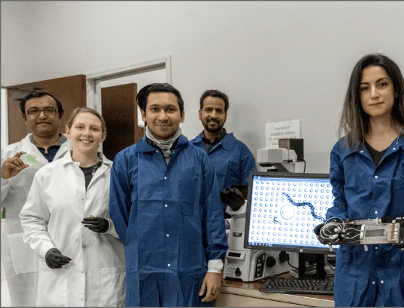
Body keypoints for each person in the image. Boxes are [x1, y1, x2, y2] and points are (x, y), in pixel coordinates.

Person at [322, 53, 404, 307]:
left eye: (382, 84)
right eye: (364, 88)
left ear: (396, 89)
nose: (374, 94)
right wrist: (333, 223)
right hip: (354, 282)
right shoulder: (343, 150)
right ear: (356, 96)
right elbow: (340, 202)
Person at [108, 83, 228, 306]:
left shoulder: (200, 160)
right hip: (144, 269)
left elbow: (212, 214)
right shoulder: (125, 160)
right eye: (154, 109)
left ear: (182, 115)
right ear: (143, 114)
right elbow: (122, 215)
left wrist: (214, 268)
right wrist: (142, 245)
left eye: (170, 109)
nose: (163, 116)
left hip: (190, 269)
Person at [20, 107, 125, 306]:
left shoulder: (117, 174)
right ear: (68, 132)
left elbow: (133, 221)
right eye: (80, 127)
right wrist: (46, 249)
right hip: (61, 278)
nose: (87, 133)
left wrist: (109, 226)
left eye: (94, 129)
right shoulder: (47, 175)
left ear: (103, 135)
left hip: (106, 276)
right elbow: (33, 219)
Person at [0, 91, 72, 306]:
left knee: (72, 296)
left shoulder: (79, 149)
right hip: (25, 243)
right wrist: (2, 179)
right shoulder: (9, 155)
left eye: (49, 110)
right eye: (33, 111)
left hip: (70, 238)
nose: (42, 115)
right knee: (28, 300)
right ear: (25, 118)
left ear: (59, 115)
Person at [190, 89, 256, 203]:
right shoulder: (187, 150)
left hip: (226, 219)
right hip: (192, 219)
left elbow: (251, 194)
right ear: (200, 114)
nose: (213, 115)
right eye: (208, 110)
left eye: (219, 111)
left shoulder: (241, 151)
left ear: (225, 116)